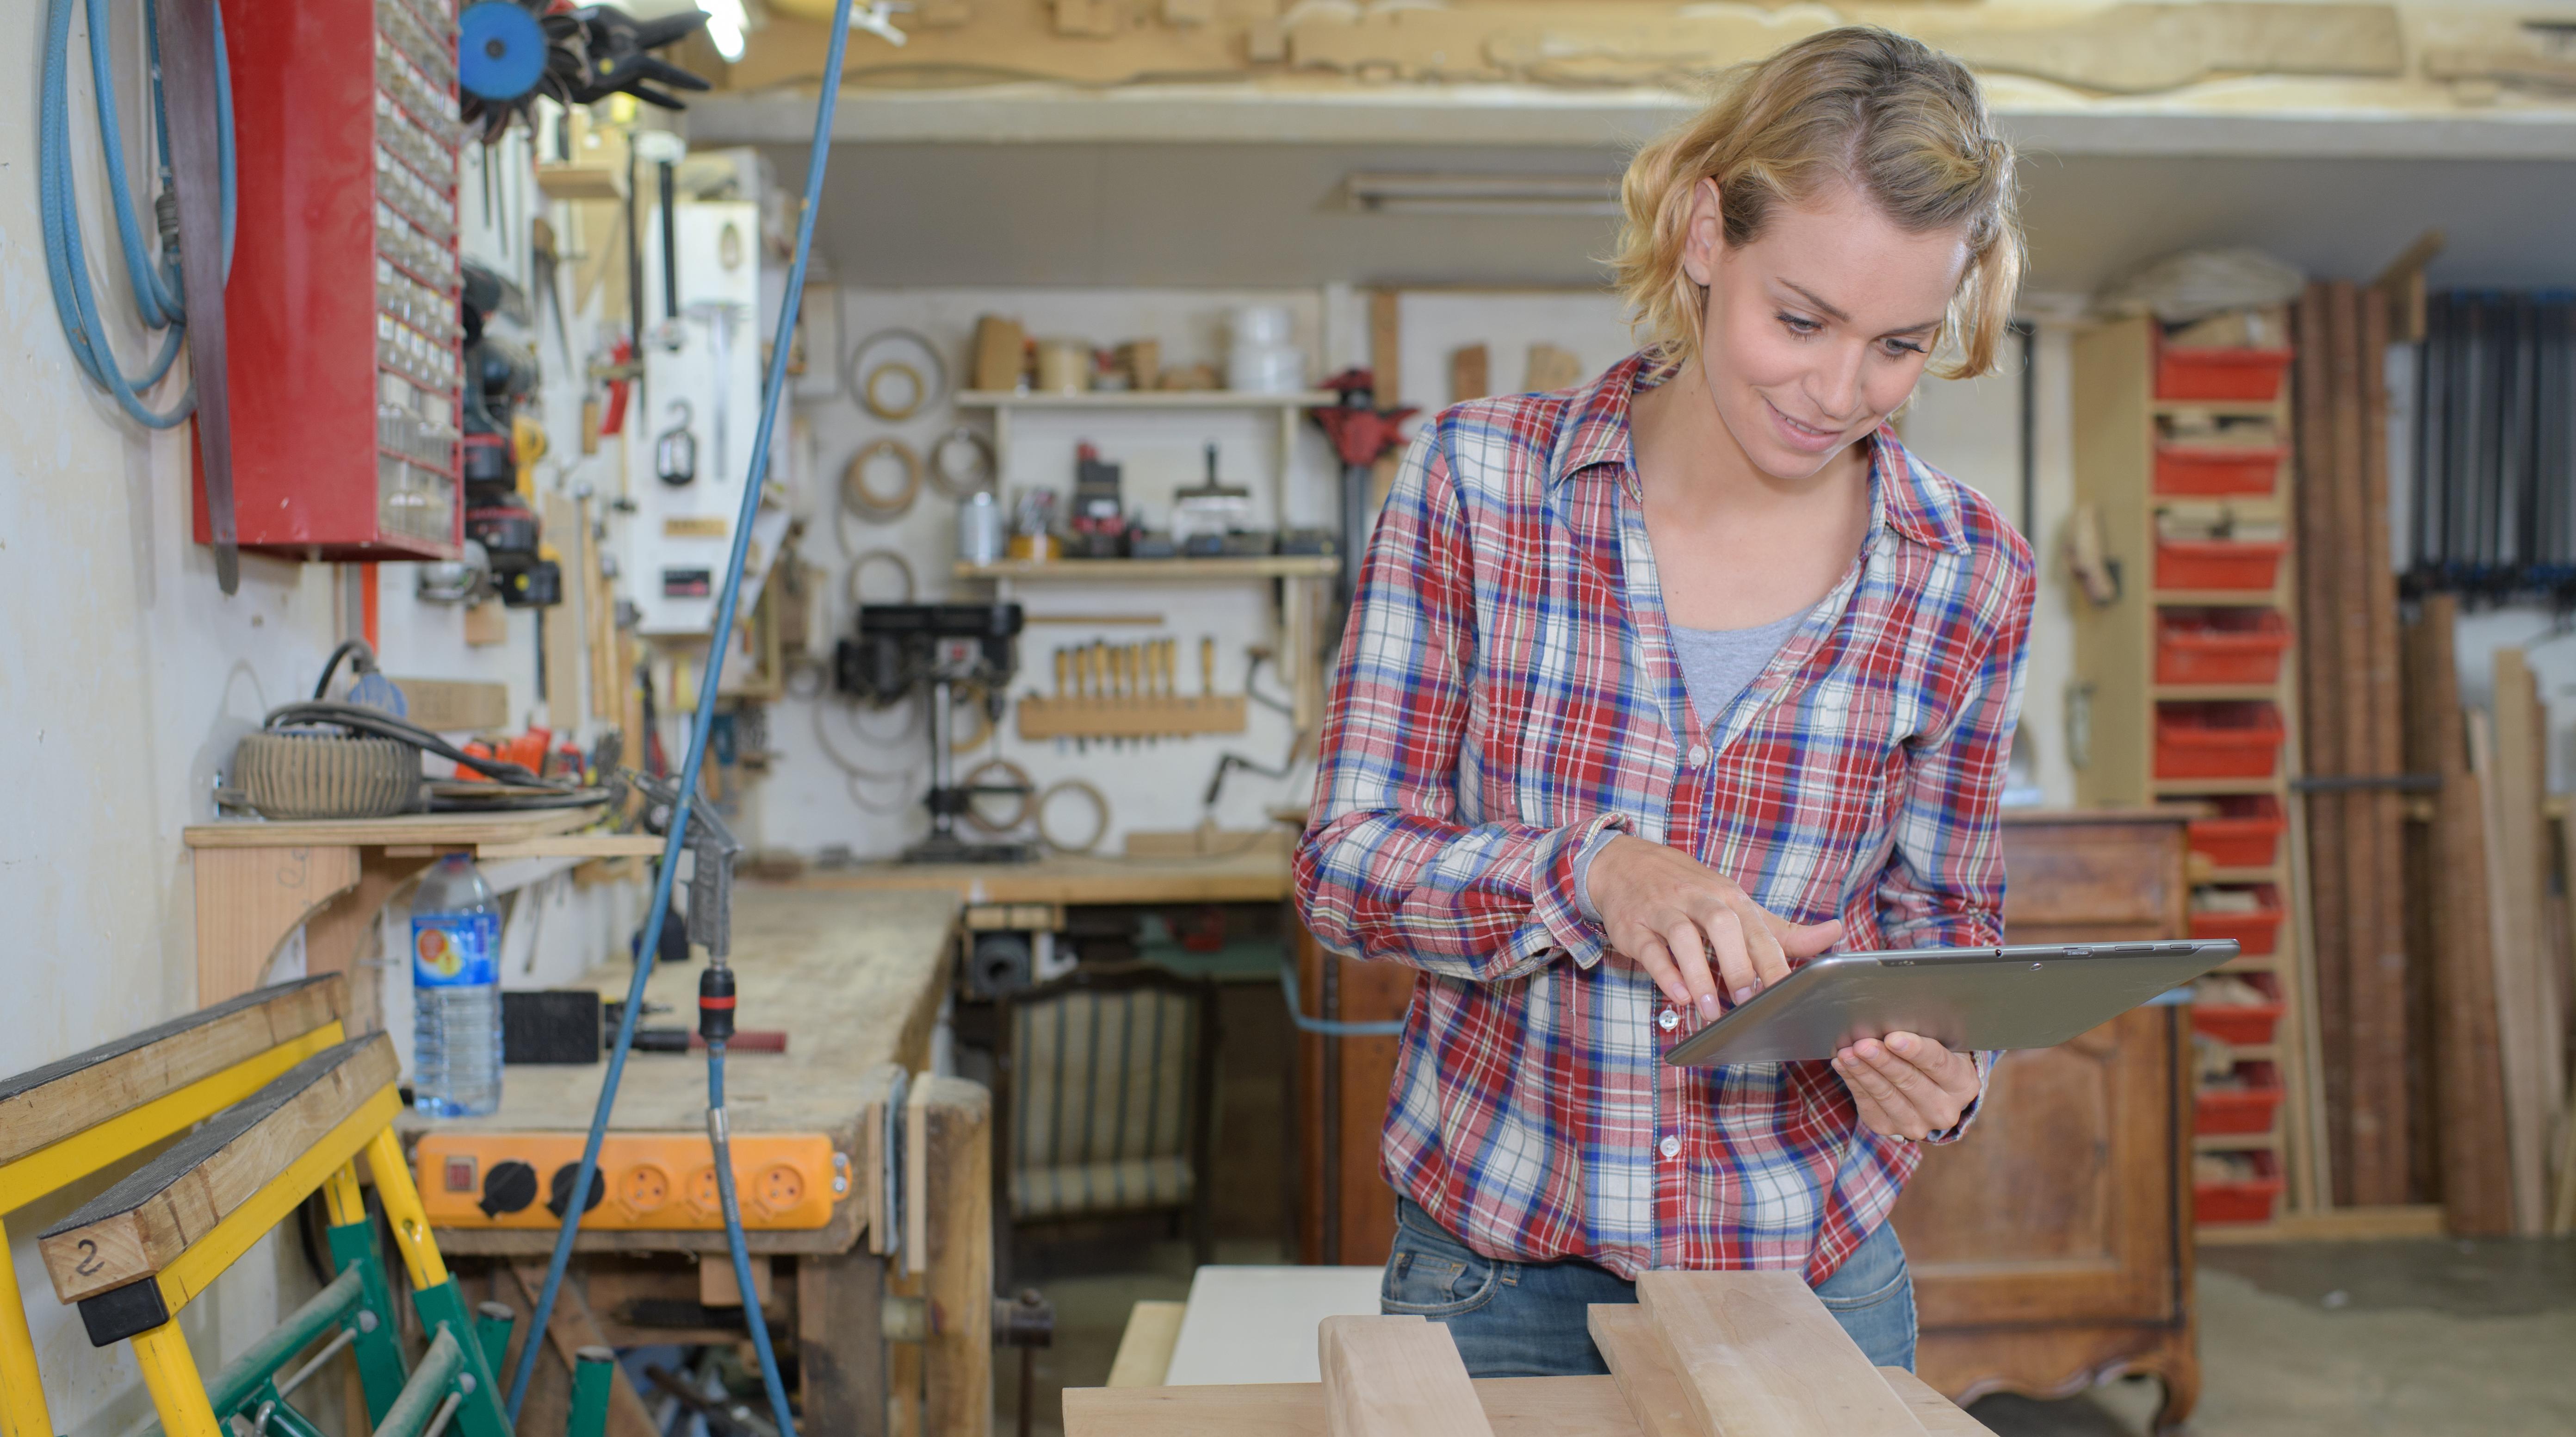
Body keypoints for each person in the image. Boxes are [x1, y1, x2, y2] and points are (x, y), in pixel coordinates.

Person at [1293, 25, 2035, 1376]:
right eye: (1800, 319)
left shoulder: (1970, 571)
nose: (1836, 391)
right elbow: (1343, 869)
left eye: (1898, 345)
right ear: (1705, 233)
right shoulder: (1479, 486)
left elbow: (1948, 925)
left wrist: (1950, 1067)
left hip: (1814, 1281)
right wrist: (1595, 877)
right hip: (1499, 1283)